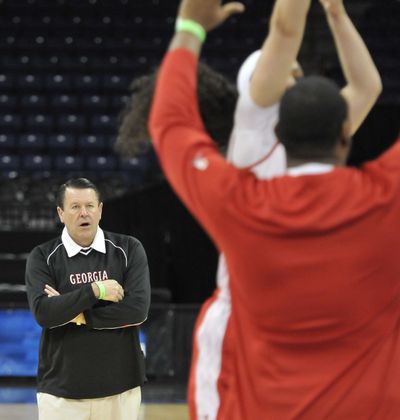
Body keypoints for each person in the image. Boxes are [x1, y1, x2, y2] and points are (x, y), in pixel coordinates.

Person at [148, 0, 400, 417]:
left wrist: (336, 13)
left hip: (272, 304)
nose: (295, 77)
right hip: (238, 315)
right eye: (287, 71)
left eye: (300, 73)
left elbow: (367, 89)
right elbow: (284, 30)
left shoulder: (245, 193)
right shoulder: (254, 126)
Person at [25, 177, 151, 420]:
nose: (84, 213)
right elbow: (44, 313)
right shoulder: (43, 257)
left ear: (100, 210)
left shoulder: (128, 249)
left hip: (121, 390)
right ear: (61, 213)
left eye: (90, 206)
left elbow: (137, 310)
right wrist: (94, 291)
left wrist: (79, 313)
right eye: (75, 207)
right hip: (61, 393)